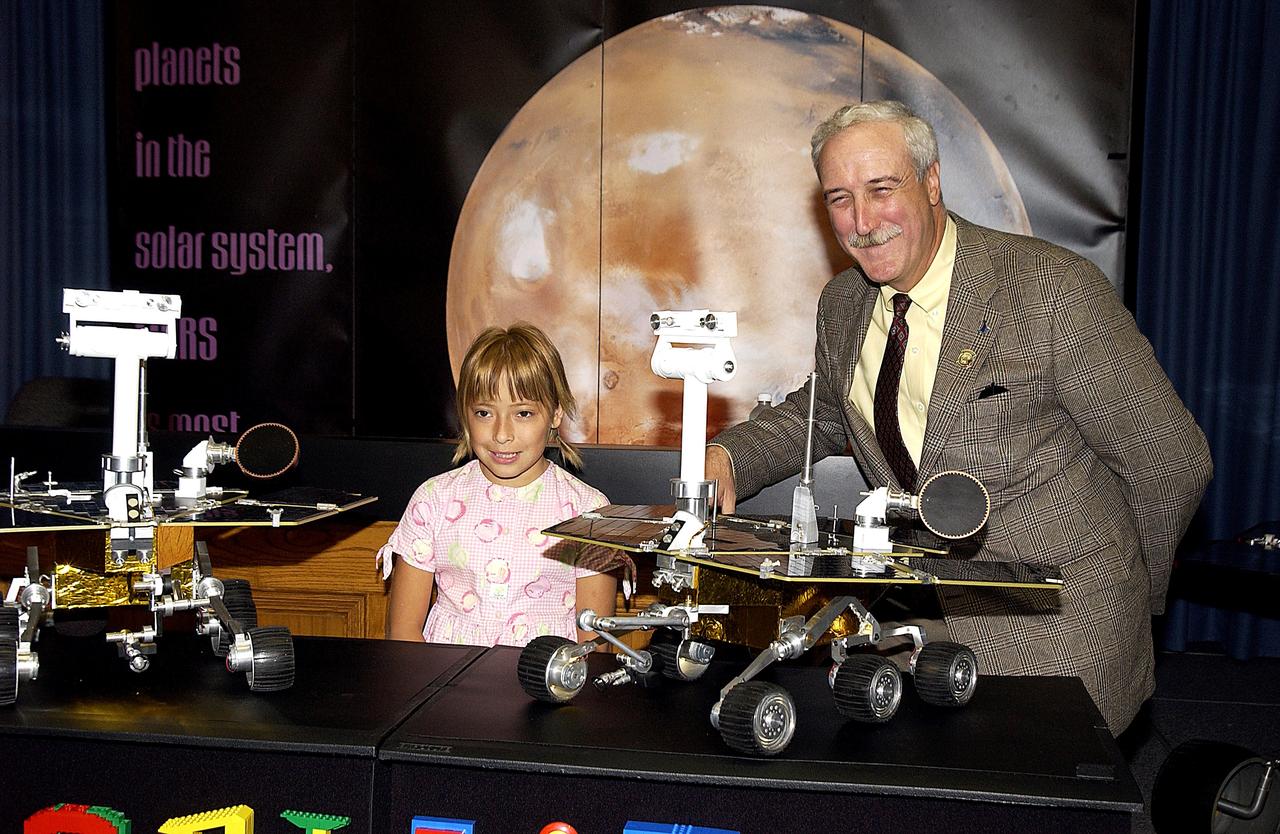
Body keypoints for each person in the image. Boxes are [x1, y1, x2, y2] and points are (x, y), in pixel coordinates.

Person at [706, 100, 1212, 734]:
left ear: (932, 181)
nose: (862, 222)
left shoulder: (1050, 289)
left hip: (1060, 637)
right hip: (929, 625)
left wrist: (1132, 594)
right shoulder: (844, 302)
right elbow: (825, 412)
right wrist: (730, 456)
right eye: (840, 198)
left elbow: (1171, 461)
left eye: (881, 190)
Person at [380, 323, 618, 646]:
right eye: (484, 413)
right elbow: (402, 636)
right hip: (446, 675)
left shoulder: (587, 512)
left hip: (545, 676)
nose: (502, 434)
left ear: (555, 414)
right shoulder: (433, 500)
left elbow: (593, 644)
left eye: (523, 414)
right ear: (465, 414)